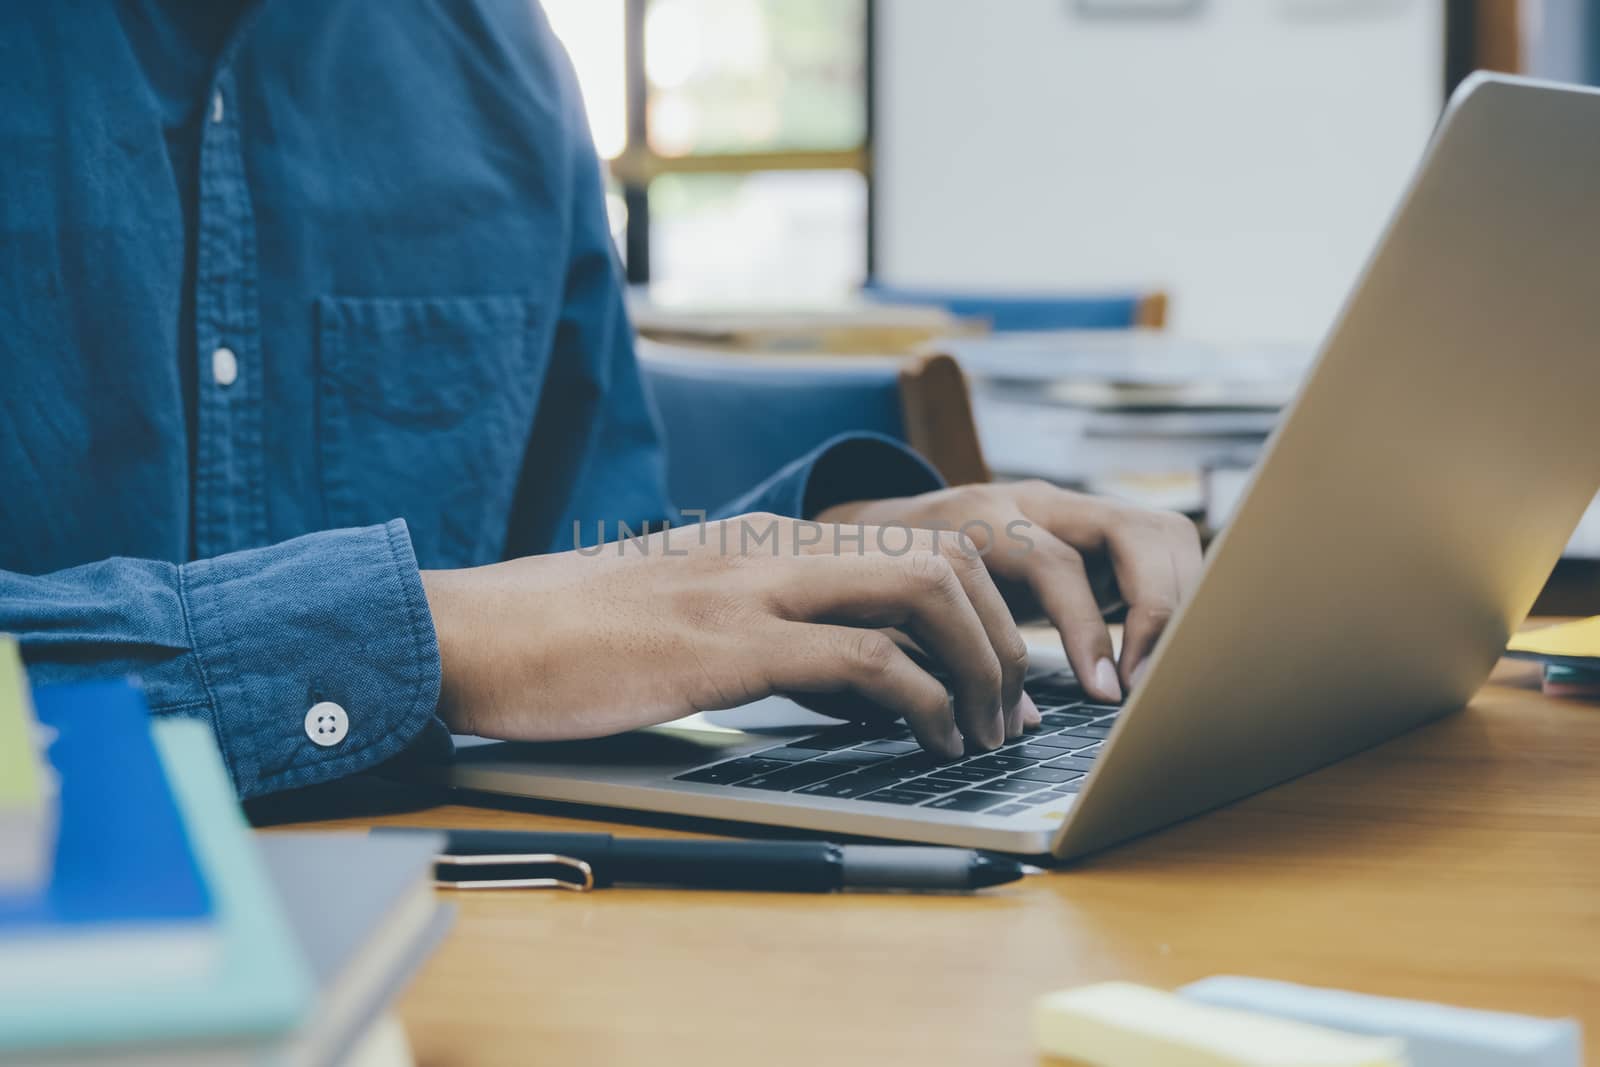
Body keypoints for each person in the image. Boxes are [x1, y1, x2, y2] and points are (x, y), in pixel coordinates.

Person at [0, 1, 1201, 799]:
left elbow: (575, 561)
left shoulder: (501, 61)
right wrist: (427, 635)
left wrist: (831, 558)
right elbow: (485, 626)